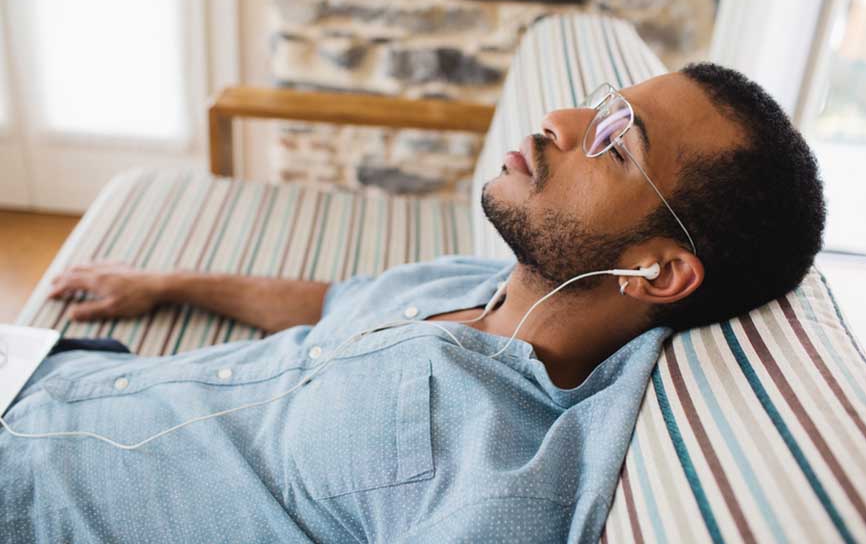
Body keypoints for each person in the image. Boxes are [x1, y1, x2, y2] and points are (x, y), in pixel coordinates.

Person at [0, 63, 825, 543]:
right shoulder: (482, 282)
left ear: (658, 271)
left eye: (617, 142)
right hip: (53, 372)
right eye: (601, 104)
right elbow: (333, 299)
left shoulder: (499, 484)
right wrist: (165, 283)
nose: (561, 120)